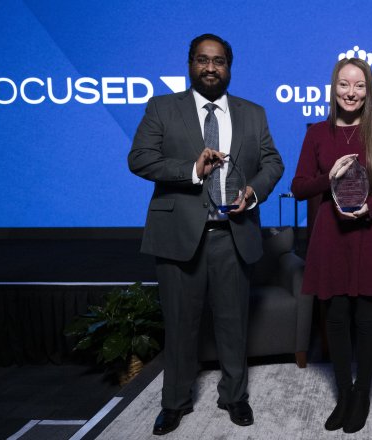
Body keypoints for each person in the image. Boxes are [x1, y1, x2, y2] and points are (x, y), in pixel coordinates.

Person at [128, 33, 283, 436]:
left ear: (229, 67)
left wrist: (253, 191)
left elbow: (272, 162)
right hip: (179, 237)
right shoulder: (163, 107)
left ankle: (235, 396)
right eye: (202, 60)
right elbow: (140, 158)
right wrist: (192, 170)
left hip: (233, 234)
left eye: (218, 61)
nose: (210, 68)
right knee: (180, 325)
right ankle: (174, 403)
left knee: (233, 323)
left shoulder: (253, 113)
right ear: (190, 64)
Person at [291, 57, 372, 434]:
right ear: (334, 87)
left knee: (366, 317)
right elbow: (298, 187)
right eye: (344, 84)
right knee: (336, 317)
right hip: (331, 235)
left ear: (368, 90)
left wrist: (368, 208)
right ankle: (343, 392)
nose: (351, 92)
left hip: (370, 232)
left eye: (359, 85)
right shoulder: (317, 134)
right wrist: (331, 177)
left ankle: (362, 394)